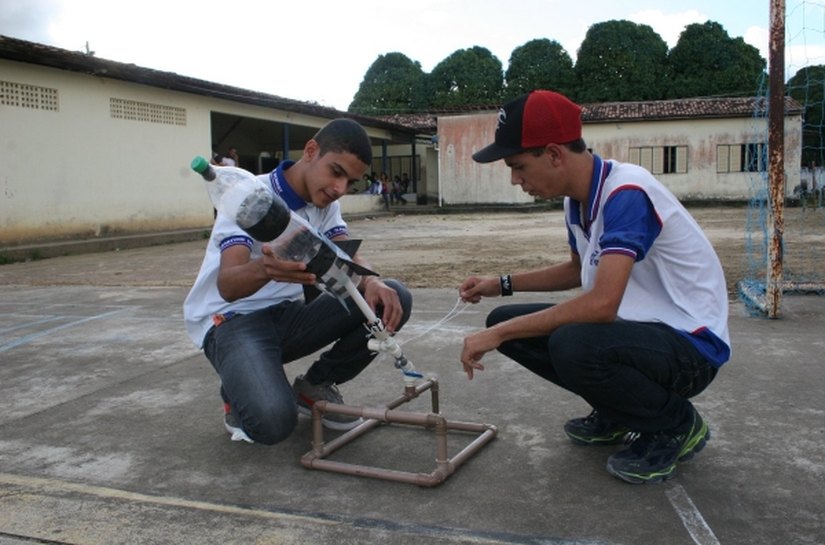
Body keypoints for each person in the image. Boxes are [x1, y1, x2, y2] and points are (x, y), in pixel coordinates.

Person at [458, 90, 730, 484]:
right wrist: (499, 285)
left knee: (570, 343)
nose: (516, 180)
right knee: (509, 323)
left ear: (553, 154)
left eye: (517, 166)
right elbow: (577, 269)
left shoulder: (627, 193)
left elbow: (601, 304)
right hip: (645, 334)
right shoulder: (577, 200)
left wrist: (496, 334)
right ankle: (621, 412)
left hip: (692, 347)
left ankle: (676, 425)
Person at [184, 118, 412, 445]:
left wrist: (371, 281)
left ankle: (315, 385)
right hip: (233, 322)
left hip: (288, 317)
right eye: (336, 172)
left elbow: (346, 253)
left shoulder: (325, 204)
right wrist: (267, 269)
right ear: (310, 151)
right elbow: (229, 286)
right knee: (273, 424)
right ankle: (236, 388)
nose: (339, 189)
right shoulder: (248, 196)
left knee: (392, 297)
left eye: (351, 182)